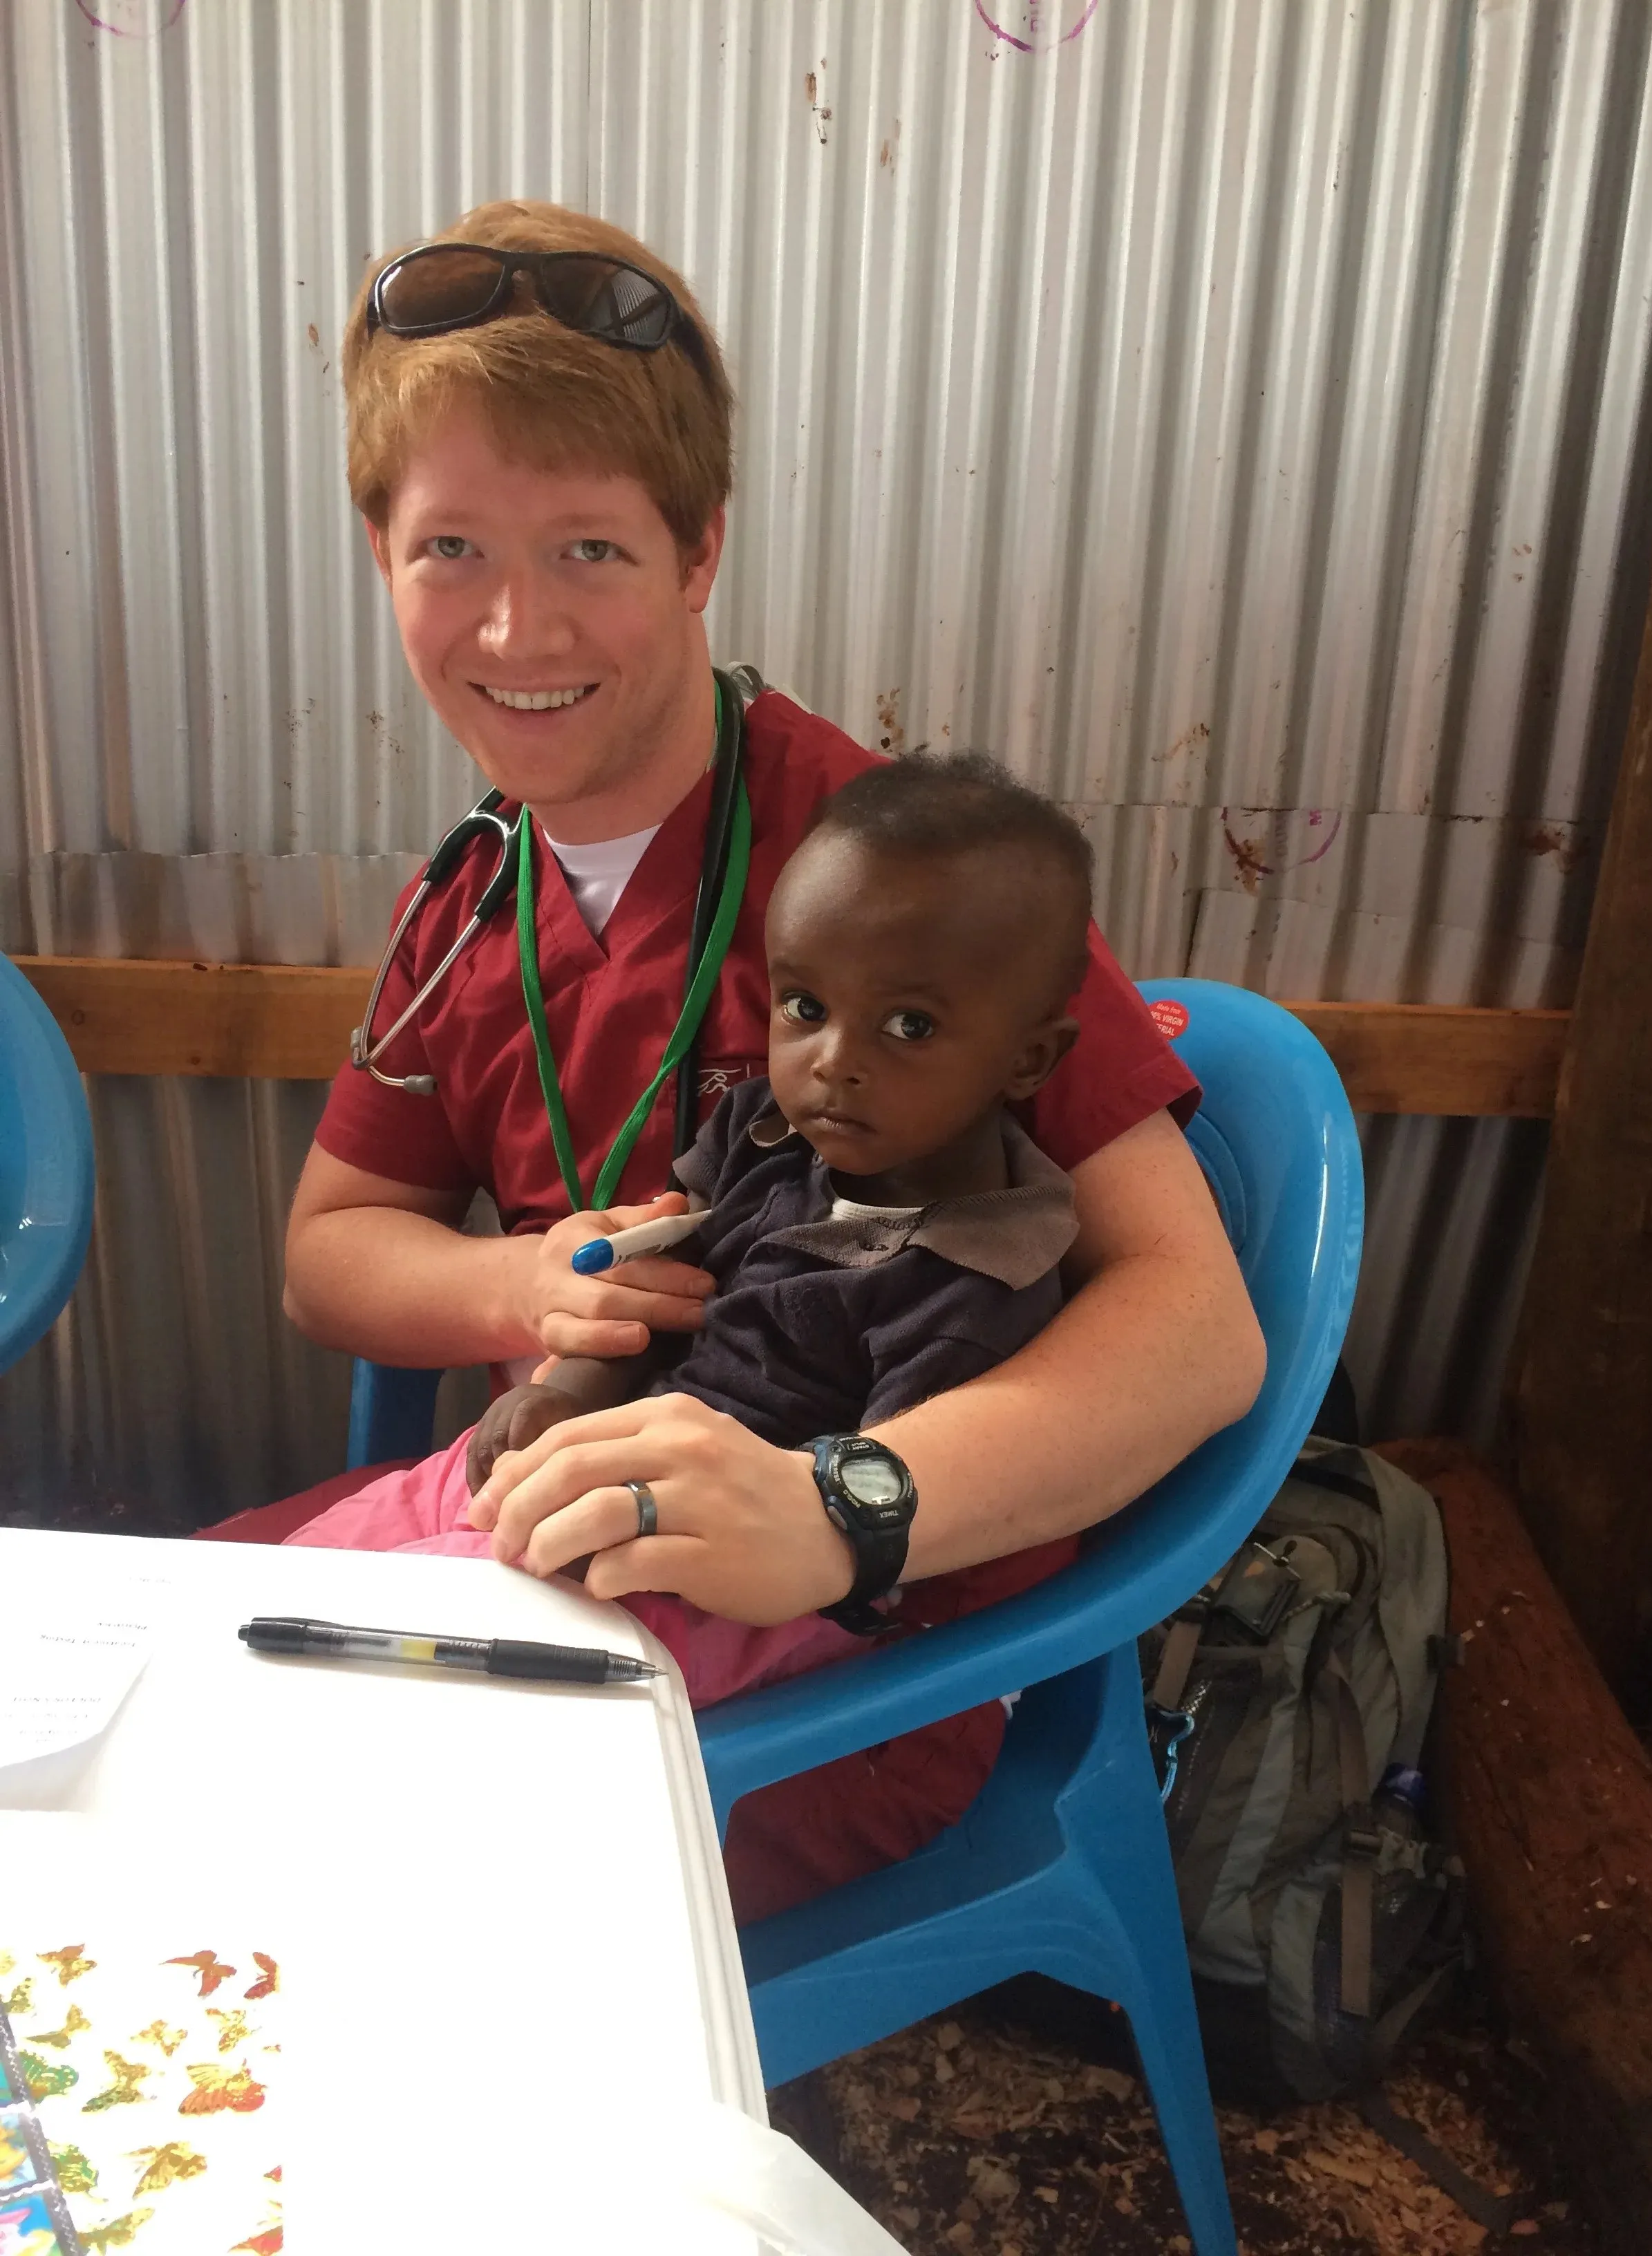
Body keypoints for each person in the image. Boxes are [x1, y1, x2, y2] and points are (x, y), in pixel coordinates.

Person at [259, 196, 1264, 1911]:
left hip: (854, 1666)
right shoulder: (473, 890)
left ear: (700, 549)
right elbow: (330, 1259)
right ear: (380, 556)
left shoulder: (896, 884)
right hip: (538, 1539)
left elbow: (1196, 1329)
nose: (518, 632)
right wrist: (525, 1293)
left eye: (588, 548)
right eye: (452, 551)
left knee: (322, 1879)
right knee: (136, 1706)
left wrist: (844, 1504)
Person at [281, 755, 1098, 1912]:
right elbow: (665, 1265)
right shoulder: (769, 1136)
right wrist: (565, 1382)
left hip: (759, 1600)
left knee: (419, 1667)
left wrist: (697, 1523)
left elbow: (885, 1557)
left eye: (909, 1025)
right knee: (298, 1580)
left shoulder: (977, 1276)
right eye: (805, 1009)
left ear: (1030, 1060)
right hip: (612, 1466)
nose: (833, 1060)